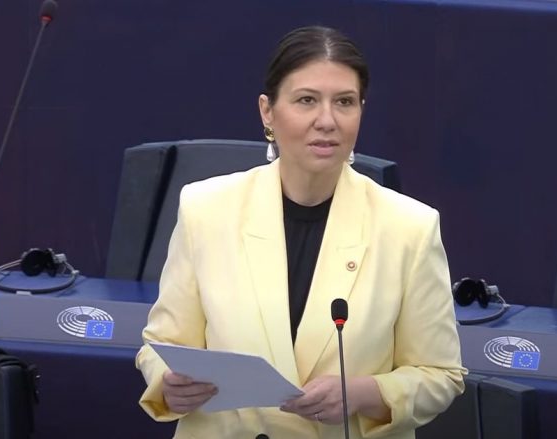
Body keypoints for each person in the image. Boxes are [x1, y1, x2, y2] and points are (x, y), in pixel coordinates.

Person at [136, 25, 465, 438]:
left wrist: (363, 394)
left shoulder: (409, 228)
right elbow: (162, 344)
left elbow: (440, 374)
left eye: (344, 102)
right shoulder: (205, 208)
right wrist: (169, 384)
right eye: (307, 100)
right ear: (267, 111)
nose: (327, 121)